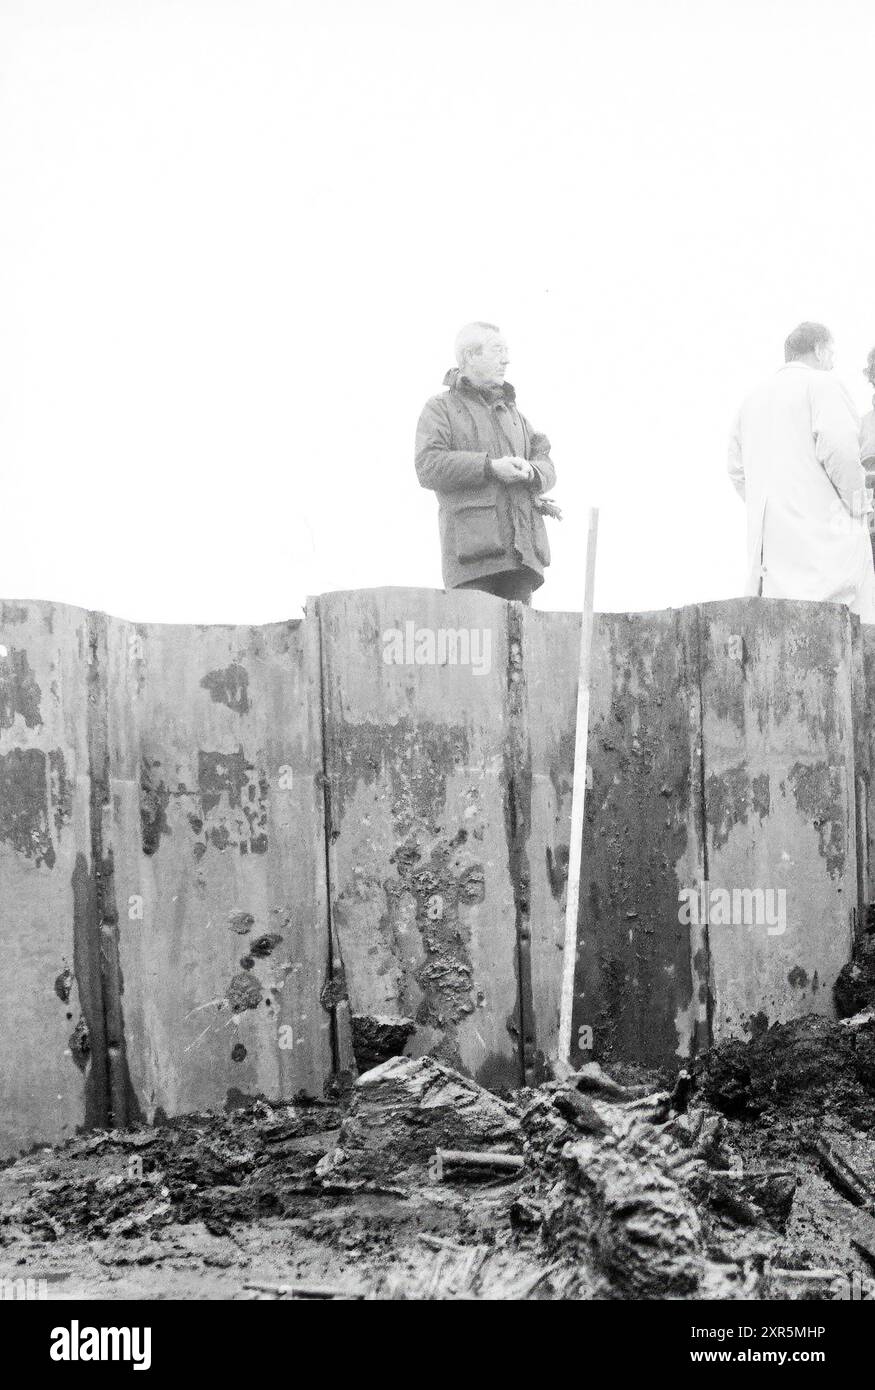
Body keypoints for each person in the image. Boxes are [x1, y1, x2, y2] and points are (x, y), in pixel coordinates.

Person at [728, 321, 875, 623]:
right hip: (825, 562)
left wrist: (779, 504)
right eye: (832, 353)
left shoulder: (750, 401)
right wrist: (861, 508)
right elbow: (842, 453)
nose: (833, 363)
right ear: (820, 350)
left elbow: (736, 471)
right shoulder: (823, 385)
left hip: (773, 569)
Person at [415, 322, 559, 605]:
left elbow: (546, 460)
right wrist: (490, 468)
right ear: (469, 356)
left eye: (506, 351)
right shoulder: (440, 409)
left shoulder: (514, 414)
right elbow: (427, 465)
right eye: (497, 351)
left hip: (521, 560)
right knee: (475, 645)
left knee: (518, 647)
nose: (506, 359)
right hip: (472, 562)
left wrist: (532, 471)